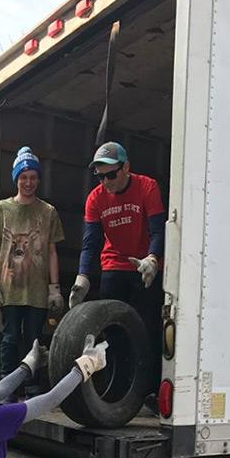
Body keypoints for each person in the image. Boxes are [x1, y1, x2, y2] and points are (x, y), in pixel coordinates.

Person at [68, 141, 166, 393]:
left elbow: (158, 230)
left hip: (145, 265)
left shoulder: (147, 187)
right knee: (114, 331)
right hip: (115, 262)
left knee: (147, 327)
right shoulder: (95, 199)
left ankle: (150, 390)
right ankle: (117, 389)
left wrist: (153, 258)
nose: (106, 181)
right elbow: (91, 243)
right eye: (100, 176)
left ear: (126, 168)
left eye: (111, 174)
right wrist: (83, 278)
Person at [0, 146, 65, 399]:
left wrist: (55, 288)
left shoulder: (48, 212)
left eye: (32, 177)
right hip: (10, 288)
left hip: (38, 290)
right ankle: (7, 390)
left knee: (33, 339)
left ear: (38, 179)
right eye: (23, 177)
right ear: (16, 179)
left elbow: (52, 251)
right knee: (9, 339)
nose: (28, 182)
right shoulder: (1, 209)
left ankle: (31, 389)